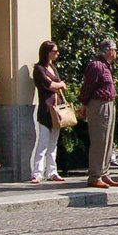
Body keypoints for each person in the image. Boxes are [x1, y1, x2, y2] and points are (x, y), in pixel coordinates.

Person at [82, 38, 118, 189]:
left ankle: (104, 173)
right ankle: (95, 176)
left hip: (109, 103)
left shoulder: (107, 66)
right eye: (115, 49)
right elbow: (87, 87)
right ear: (108, 50)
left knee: (108, 140)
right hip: (98, 105)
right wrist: (84, 104)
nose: (116, 52)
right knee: (100, 140)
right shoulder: (96, 66)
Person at [30, 40, 68, 184]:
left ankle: (52, 171)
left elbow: (55, 85)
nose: (57, 53)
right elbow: (49, 85)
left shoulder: (53, 67)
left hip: (56, 109)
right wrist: (61, 84)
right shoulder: (39, 69)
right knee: (43, 143)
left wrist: (59, 85)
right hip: (46, 109)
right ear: (47, 52)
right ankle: (37, 173)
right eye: (54, 51)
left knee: (53, 143)